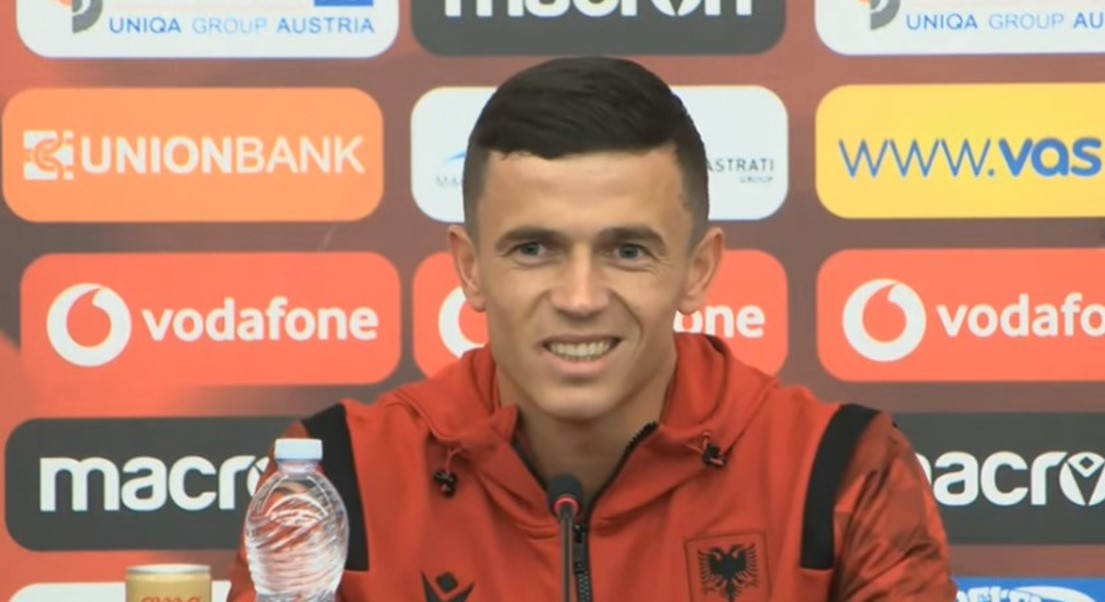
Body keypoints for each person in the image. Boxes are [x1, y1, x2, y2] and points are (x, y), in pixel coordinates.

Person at [226, 56, 956, 601]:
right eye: (534, 249)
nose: (579, 298)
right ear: (470, 269)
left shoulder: (839, 470)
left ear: (697, 271)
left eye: (627, 251)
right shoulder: (338, 476)